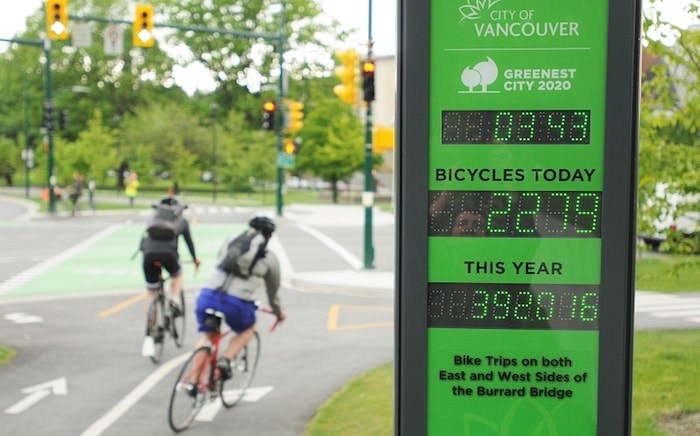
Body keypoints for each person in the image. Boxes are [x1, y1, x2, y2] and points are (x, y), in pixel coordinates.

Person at [194, 216, 286, 379]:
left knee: (207, 337)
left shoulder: (232, 243)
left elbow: (219, 259)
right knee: (247, 330)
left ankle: (194, 381)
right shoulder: (270, 258)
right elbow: (273, 294)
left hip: (207, 295)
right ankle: (226, 359)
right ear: (269, 236)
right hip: (235, 304)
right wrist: (278, 313)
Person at [140, 196, 201, 356]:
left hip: (148, 256)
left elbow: (142, 243)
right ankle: (174, 299)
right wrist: (195, 260)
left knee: (151, 291)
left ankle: (149, 332)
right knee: (177, 275)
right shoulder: (180, 221)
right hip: (169, 255)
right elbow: (189, 243)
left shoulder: (153, 219)